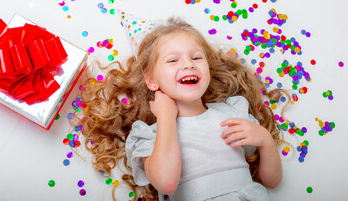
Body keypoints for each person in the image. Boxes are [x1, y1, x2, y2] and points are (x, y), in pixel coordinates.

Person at [76, 17, 290, 201]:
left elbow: (272, 181)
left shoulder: (233, 113)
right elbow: (167, 184)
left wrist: (264, 140)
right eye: (172, 60)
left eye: (196, 57)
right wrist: (166, 117)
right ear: (152, 81)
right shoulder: (150, 135)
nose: (188, 64)